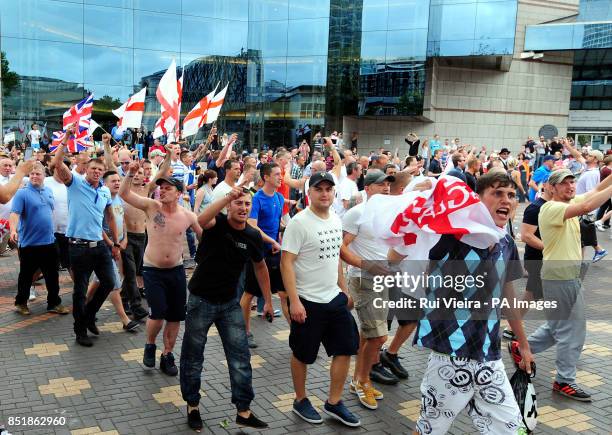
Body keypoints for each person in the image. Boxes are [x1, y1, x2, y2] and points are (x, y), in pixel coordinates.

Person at [391, 171, 534, 434]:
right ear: (477, 199)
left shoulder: (506, 243)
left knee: (513, 430)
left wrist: (523, 344)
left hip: (489, 356)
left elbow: (509, 298)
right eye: (497, 193)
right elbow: (397, 254)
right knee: (429, 430)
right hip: (449, 355)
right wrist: (421, 198)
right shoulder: (448, 237)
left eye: (512, 195)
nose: (506, 200)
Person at [510, 168, 612, 402]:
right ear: (551, 188)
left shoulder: (567, 201)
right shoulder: (551, 208)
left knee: (558, 327)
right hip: (561, 277)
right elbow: (587, 207)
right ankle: (565, 380)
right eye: (564, 183)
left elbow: (595, 190)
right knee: (573, 331)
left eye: (572, 182)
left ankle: (522, 347)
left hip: (564, 275)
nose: (570, 186)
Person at [180, 187, 273, 432]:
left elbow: (261, 267)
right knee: (193, 357)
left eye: (247, 204)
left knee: (240, 358)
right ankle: (192, 405)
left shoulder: (252, 235)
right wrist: (228, 196)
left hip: (230, 304)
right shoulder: (216, 223)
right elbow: (199, 220)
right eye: (238, 203)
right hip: (201, 301)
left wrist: (269, 301)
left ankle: (243, 411)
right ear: (229, 206)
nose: (243, 208)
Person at [281, 172, 361, 428]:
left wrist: (344, 289)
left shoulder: (336, 220)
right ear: (309, 192)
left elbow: (335, 257)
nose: (325, 193)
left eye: (329, 189)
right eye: (319, 189)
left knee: (346, 348)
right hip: (308, 301)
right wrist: (294, 301)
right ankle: (300, 399)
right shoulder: (299, 223)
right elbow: (286, 263)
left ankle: (334, 401)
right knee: (303, 354)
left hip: (333, 298)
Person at [119, 162, 202, 375]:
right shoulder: (151, 206)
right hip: (153, 270)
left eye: (168, 188)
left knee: (174, 317)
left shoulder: (188, 216)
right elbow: (124, 193)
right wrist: (130, 172)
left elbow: (205, 238)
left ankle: (167, 354)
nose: (162, 191)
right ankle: (149, 344)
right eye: (161, 187)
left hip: (176, 271)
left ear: (179, 193)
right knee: (157, 313)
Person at [51, 125, 120, 347]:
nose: (96, 172)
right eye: (93, 169)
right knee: (79, 291)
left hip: (100, 245)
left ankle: (89, 316)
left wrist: (115, 242)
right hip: (78, 247)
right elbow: (57, 163)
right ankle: (80, 329)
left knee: (109, 282)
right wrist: (68, 136)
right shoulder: (75, 183)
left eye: (100, 170)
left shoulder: (104, 191)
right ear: (86, 170)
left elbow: (109, 216)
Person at [340, 169, 394, 410]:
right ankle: (363, 381)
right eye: (381, 184)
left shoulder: (388, 213)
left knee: (369, 335)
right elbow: (341, 247)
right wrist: (365, 265)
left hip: (384, 279)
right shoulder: (357, 213)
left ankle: (358, 380)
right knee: (379, 336)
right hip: (363, 280)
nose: (386, 188)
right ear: (368, 188)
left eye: (388, 184)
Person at [9, 162, 69, 316]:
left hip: (49, 242)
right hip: (29, 244)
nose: (34, 176)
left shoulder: (48, 191)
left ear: (44, 175)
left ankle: (54, 303)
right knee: (26, 276)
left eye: (38, 174)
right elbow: (15, 214)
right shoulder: (22, 193)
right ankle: (21, 303)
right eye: (32, 174)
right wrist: (13, 230)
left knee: (52, 275)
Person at [241, 163, 287, 348]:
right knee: (249, 294)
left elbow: (278, 222)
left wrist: (282, 237)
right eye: (276, 174)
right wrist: (272, 241)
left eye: (281, 174)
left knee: (285, 293)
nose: (280, 177)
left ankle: (298, 336)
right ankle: (245, 332)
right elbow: (252, 226)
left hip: (274, 251)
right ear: (266, 177)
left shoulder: (280, 197)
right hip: (257, 252)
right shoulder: (256, 199)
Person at [503, 180, 552, 340]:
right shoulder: (536, 207)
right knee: (534, 294)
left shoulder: (552, 206)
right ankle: (512, 328)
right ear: (548, 186)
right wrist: (551, 250)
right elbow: (526, 236)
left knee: (532, 294)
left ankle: (511, 327)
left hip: (545, 259)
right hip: (537, 259)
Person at [575, 150, 607, 262]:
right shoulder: (589, 169)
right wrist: (567, 145)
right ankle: (583, 259)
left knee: (581, 234)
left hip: (583, 208)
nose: (586, 156)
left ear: (595, 159)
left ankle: (598, 250)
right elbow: (578, 156)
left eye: (589, 155)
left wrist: (585, 209)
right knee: (581, 236)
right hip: (581, 207)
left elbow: (590, 193)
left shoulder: (592, 173)